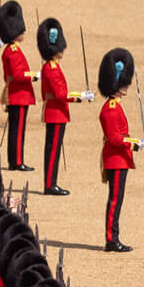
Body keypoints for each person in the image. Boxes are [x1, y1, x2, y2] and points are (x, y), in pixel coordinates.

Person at [97, 47, 144, 251]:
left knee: (117, 200)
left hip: (119, 157)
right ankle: (111, 239)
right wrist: (135, 143)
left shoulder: (115, 105)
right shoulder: (110, 109)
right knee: (115, 200)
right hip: (115, 158)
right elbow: (115, 139)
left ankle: (114, 237)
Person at [38, 18, 94, 196]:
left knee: (53, 149)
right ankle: (50, 185)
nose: (62, 51)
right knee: (53, 150)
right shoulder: (52, 69)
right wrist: (80, 97)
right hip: (56, 113)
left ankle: (51, 183)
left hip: (56, 112)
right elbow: (61, 95)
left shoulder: (52, 66)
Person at [0, 1, 34, 170]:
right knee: (17, 131)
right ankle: (17, 161)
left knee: (17, 130)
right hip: (18, 94)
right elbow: (19, 75)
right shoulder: (12, 51)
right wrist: (34, 76)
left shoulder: (12, 49)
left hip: (18, 94)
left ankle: (15, 160)